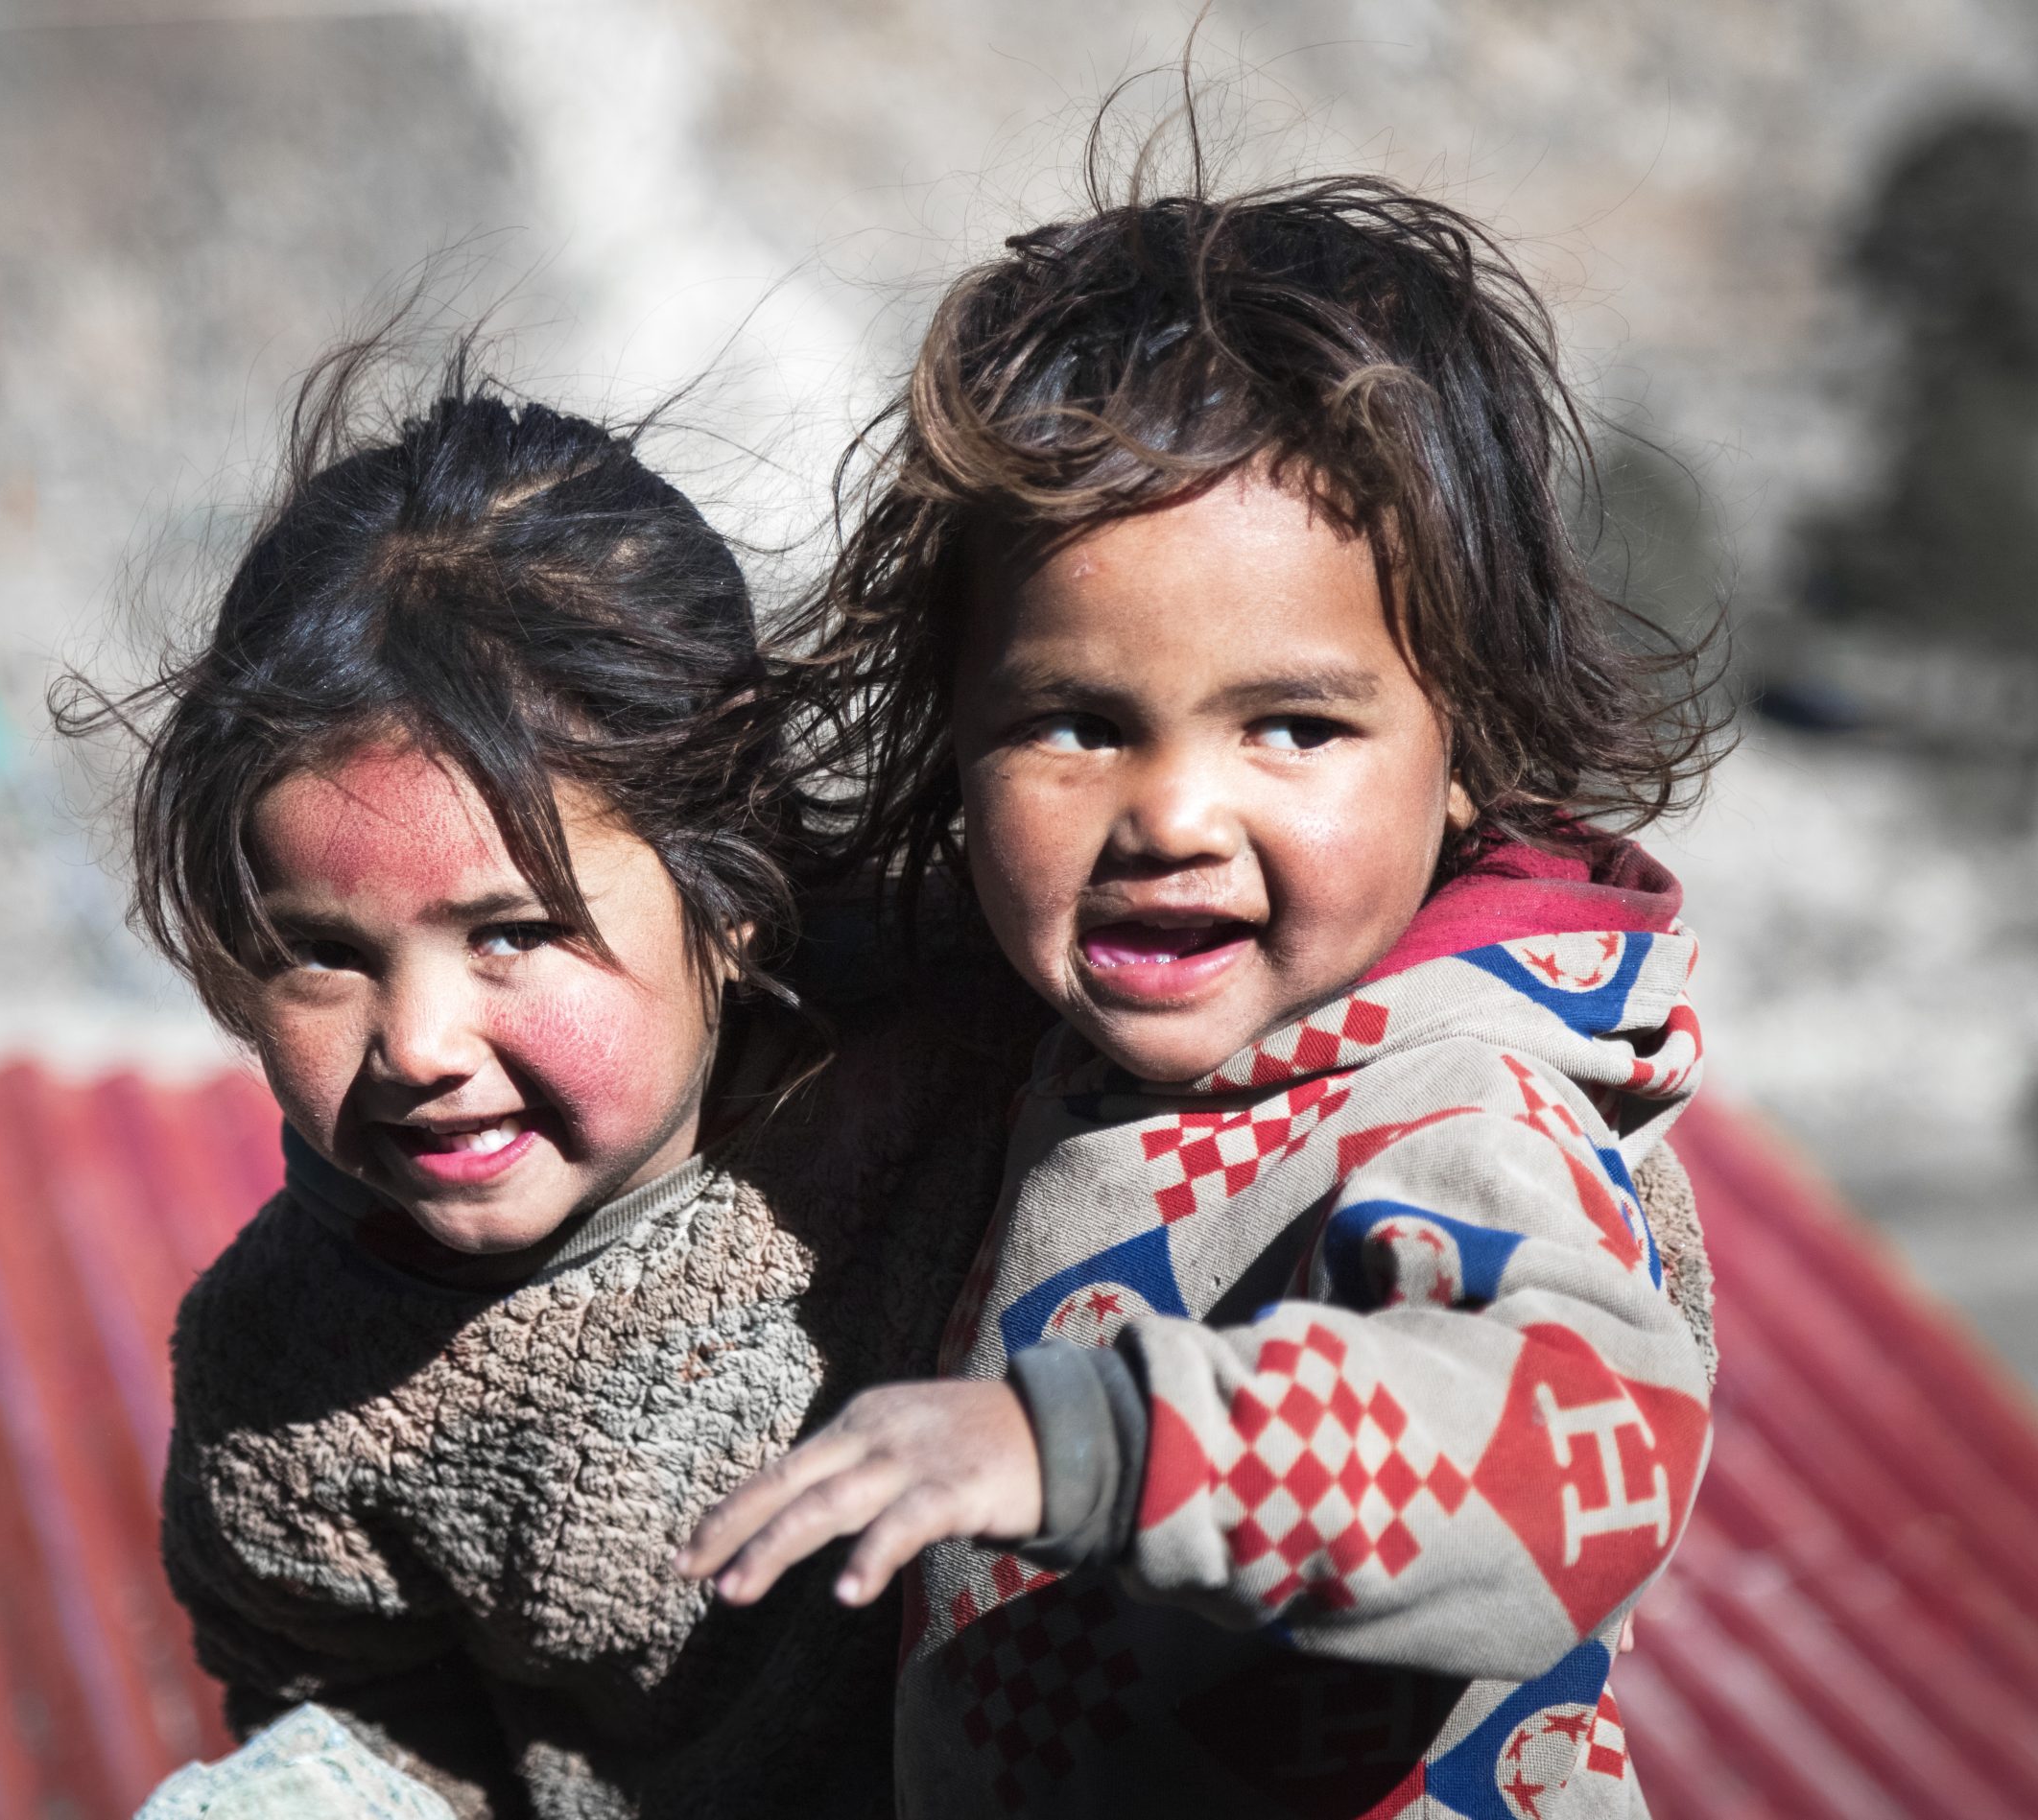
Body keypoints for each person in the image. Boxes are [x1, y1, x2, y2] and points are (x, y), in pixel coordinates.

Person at [677, 170, 1722, 1818]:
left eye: (1293, 727)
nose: (1169, 815)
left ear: (1470, 747)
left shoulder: (1456, 1104)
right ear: (953, 731)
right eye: (1075, 720)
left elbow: (1577, 1449)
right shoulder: (1059, 1017)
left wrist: (1087, 1444)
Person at [70, 340, 1046, 1818]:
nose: (418, 1043)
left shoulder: (977, 1036)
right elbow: (370, 1729)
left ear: (728, 884)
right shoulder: (293, 1379)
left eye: (512, 932)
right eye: (323, 954)